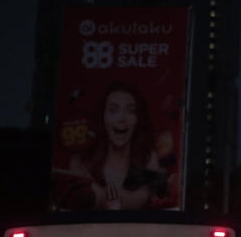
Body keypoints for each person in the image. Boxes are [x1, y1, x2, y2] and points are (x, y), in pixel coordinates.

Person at [67, 81, 167, 210]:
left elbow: (160, 203)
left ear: (138, 119)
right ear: (103, 116)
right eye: (113, 110)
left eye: (130, 111)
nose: (122, 118)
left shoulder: (150, 160)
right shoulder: (80, 163)